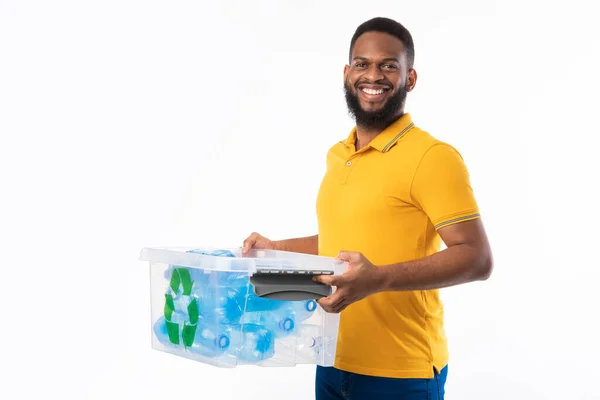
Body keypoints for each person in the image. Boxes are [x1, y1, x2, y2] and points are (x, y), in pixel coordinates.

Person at [242, 17, 493, 400]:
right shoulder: (338, 154)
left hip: (399, 373)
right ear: (347, 73)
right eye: (362, 63)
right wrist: (275, 248)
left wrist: (378, 278)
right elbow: (340, 238)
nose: (372, 75)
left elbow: (477, 258)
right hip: (330, 358)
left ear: (409, 78)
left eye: (388, 65)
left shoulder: (433, 157)